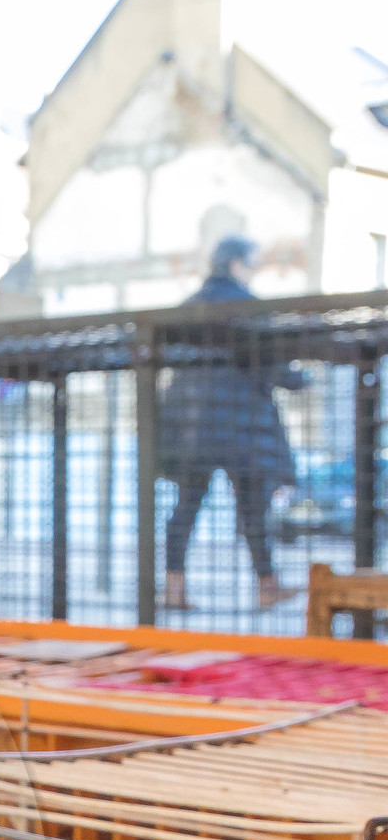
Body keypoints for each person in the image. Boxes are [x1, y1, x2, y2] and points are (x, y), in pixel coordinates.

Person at [160, 235, 302, 612]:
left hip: (193, 429)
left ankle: (173, 588)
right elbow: (270, 358)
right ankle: (266, 586)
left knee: (186, 506)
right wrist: (297, 379)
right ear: (238, 264)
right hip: (242, 425)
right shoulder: (248, 305)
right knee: (254, 509)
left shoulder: (188, 307)